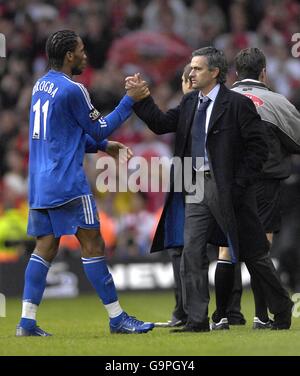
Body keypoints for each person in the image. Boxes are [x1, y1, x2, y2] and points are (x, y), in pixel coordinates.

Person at [126, 46, 293, 332]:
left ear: (215, 72)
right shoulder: (191, 103)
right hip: (195, 185)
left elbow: (258, 148)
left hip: (230, 189)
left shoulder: (237, 104)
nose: (191, 72)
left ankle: (282, 306)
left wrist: (240, 183)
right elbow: (162, 123)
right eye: (191, 67)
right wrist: (142, 99)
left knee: (254, 253)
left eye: (198, 68)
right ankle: (197, 319)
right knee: (192, 250)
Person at [16, 30, 154, 336]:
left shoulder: (41, 84)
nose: (85, 55)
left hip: (40, 182)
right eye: (81, 50)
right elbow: (101, 125)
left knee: (46, 245)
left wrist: (104, 146)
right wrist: (129, 101)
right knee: (93, 243)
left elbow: (63, 134)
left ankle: (26, 321)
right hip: (67, 181)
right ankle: (117, 318)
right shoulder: (73, 89)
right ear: (69, 55)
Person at [214, 47, 300, 329]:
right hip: (265, 184)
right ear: (263, 72)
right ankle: (262, 316)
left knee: (227, 248)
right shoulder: (276, 102)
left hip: (224, 182)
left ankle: (225, 315)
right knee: (261, 248)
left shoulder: (220, 100)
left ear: (235, 73)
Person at [154, 63, 192, 328]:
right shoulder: (186, 106)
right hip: (183, 179)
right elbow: (161, 124)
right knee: (179, 248)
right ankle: (183, 311)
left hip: (202, 182)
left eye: (188, 76)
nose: (184, 81)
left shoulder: (201, 105)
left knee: (190, 249)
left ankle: (224, 311)